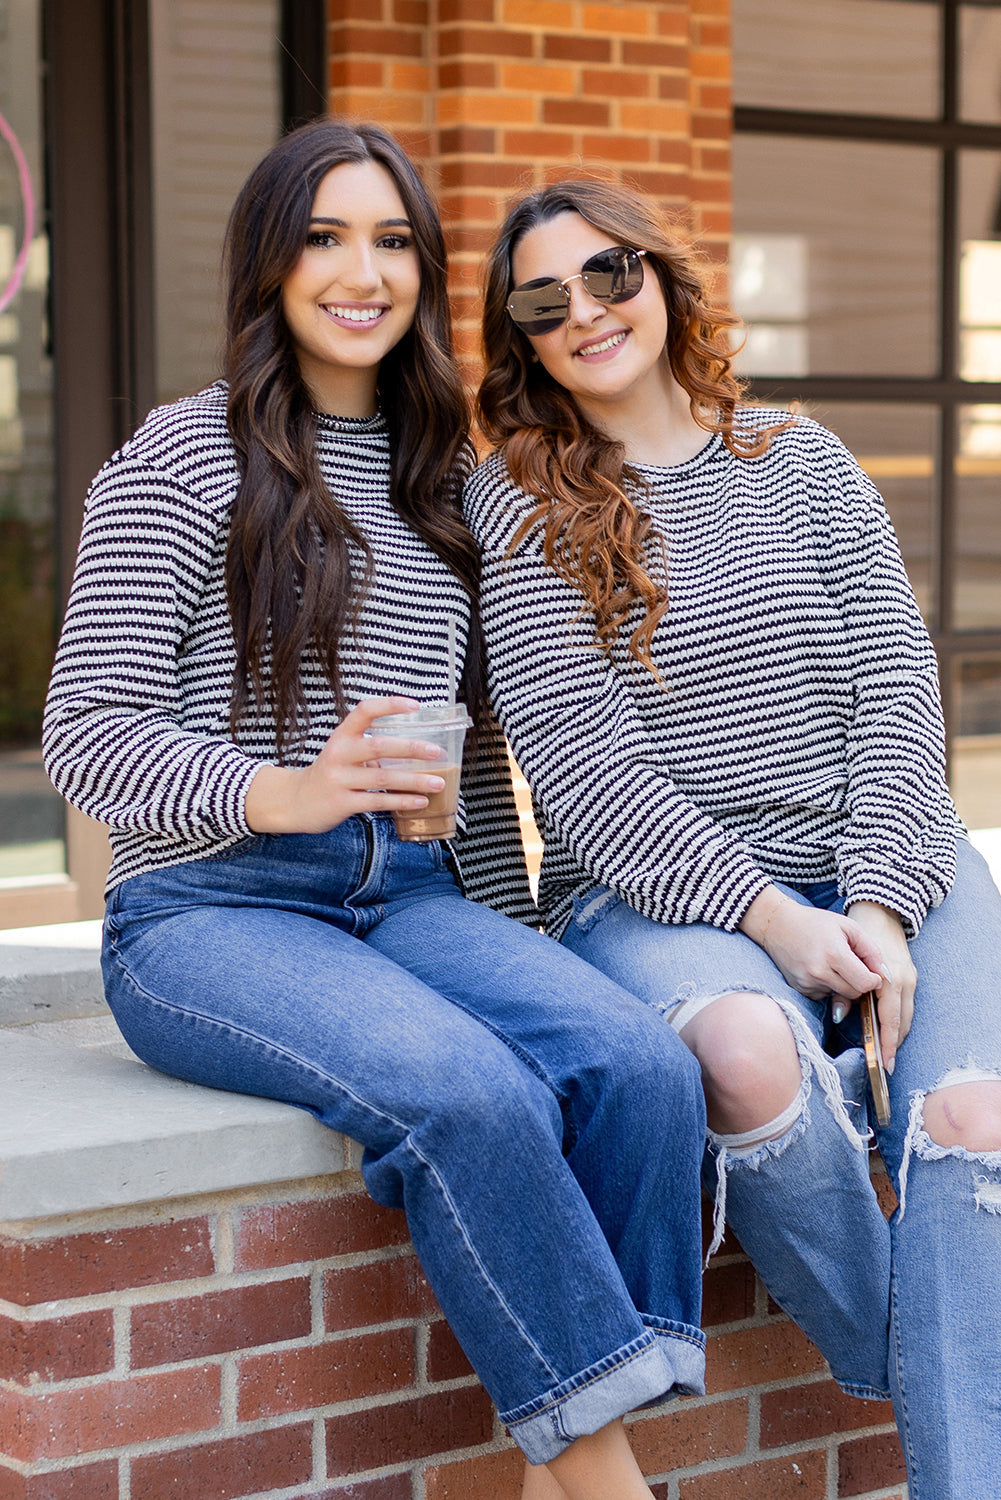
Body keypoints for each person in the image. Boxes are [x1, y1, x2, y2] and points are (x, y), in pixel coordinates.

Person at [41, 126, 710, 1500]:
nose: (365, 273)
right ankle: (610, 1485)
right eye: (326, 238)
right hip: (206, 913)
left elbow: (475, 764)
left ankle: (566, 1471)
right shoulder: (181, 457)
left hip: (407, 897)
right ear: (269, 261)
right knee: (468, 1093)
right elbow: (85, 730)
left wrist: (518, 935)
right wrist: (280, 789)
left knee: (636, 1067)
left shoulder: (444, 480)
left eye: (394, 241)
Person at [467, 177, 1001, 1500]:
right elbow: (584, 776)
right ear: (520, 338)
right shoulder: (515, 506)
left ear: (661, 278)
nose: (587, 312)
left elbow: (896, 689)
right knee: (749, 1061)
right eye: (543, 301)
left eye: (610, 274)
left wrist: (877, 905)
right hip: (655, 900)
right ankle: (938, 1374)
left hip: (888, 858)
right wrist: (778, 923)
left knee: (970, 1115)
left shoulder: (800, 457)